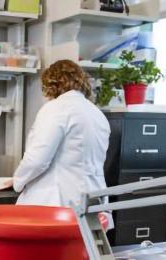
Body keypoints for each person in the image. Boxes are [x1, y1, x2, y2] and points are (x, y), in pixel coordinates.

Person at [10, 60, 110, 208]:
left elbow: (37, 160)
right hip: (93, 199)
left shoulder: (56, 108)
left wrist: (17, 181)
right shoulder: (97, 113)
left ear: (51, 84)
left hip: (58, 200)